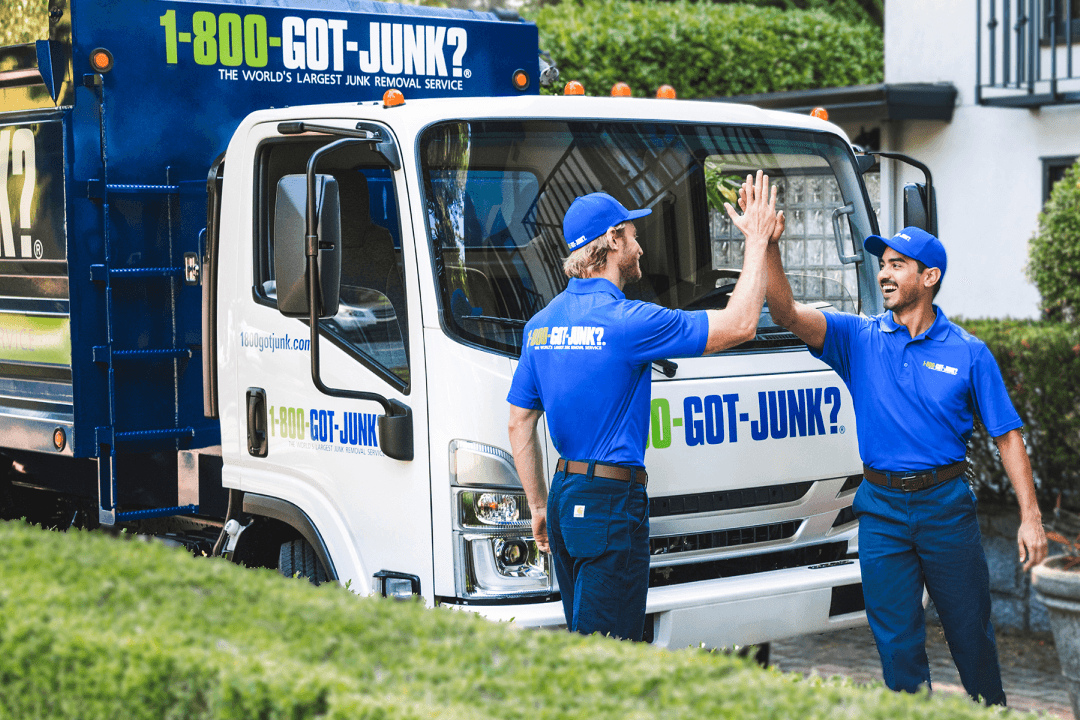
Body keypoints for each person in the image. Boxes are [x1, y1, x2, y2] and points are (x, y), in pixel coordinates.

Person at [761, 217, 1048, 704]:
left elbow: (1007, 436)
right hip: (881, 512)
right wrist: (768, 248)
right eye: (882, 265)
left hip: (945, 508)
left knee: (971, 639)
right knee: (897, 648)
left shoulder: (968, 353)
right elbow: (786, 312)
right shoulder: (857, 338)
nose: (884, 274)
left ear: (929, 277)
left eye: (898, 265)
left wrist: (1031, 516)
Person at [506, 171, 781, 641]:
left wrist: (537, 506)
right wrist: (757, 241)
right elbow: (740, 325)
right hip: (610, 504)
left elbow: (518, 423)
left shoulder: (540, 326)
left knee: (584, 645)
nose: (639, 247)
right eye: (632, 236)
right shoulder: (628, 321)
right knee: (609, 660)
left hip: (564, 496)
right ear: (612, 241)